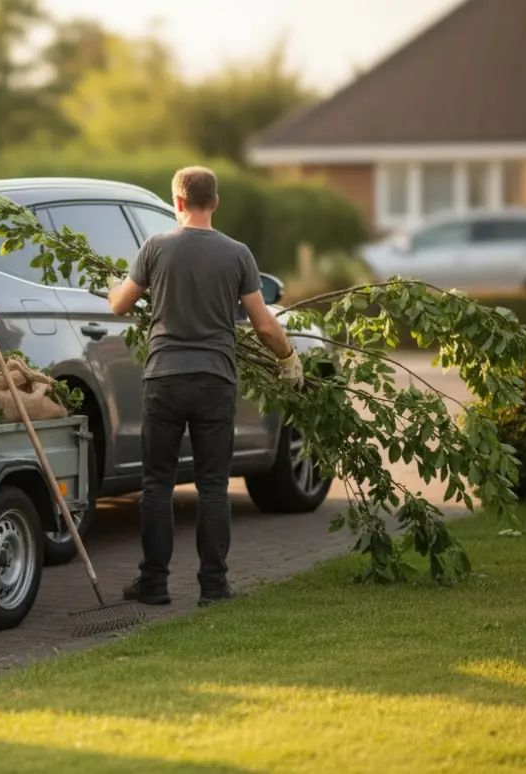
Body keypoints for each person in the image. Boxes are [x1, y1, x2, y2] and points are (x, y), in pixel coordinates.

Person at [107, 166, 303, 606]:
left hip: (164, 379)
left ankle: (153, 583)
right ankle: (213, 585)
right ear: (214, 202)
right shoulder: (238, 254)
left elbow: (120, 303)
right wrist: (288, 360)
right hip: (215, 380)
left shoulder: (156, 247)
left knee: (157, 483)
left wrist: (113, 288)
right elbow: (265, 325)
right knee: (213, 485)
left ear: (177, 201)